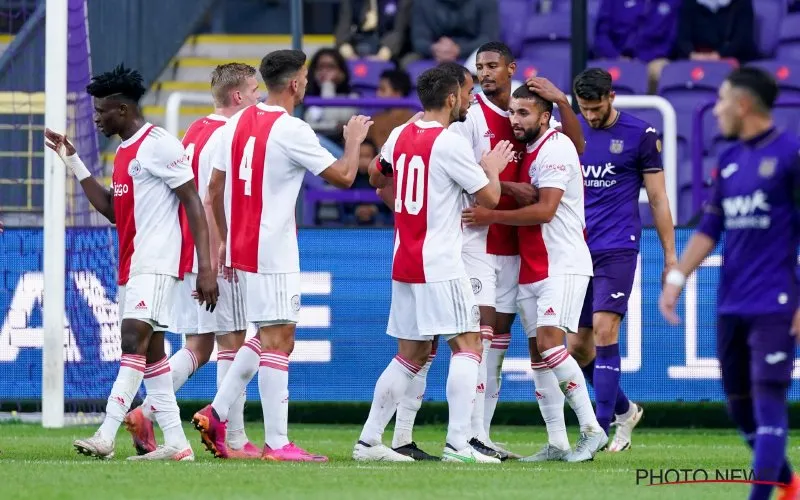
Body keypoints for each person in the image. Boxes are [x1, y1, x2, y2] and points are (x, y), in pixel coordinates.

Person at [389, 43, 587, 461]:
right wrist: (509, 189)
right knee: (464, 342)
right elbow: (453, 168)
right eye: (479, 67)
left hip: (517, 248)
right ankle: (447, 436)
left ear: (511, 69)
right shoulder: (468, 115)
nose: (485, 74)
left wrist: (562, 102)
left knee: (495, 347)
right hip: (473, 241)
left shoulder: (527, 118)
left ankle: (482, 434)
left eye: (492, 66)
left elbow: (573, 148)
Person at [192, 49, 373, 462]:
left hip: (241, 249)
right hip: (272, 249)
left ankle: (218, 413)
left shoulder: (233, 125)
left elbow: (213, 191)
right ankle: (274, 441)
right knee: (280, 339)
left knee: (268, 336)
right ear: (294, 83)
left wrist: (223, 240)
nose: (307, 83)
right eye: (305, 77)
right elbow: (345, 178)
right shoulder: (292, 130)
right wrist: (353, 142)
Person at [46, 64, 218, 461]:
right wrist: (72, 160)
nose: (96, 117)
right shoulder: (124, 152)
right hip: (133, 266)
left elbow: (193, 201)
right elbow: (111, 209)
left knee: (131, 341)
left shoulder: (160, 144)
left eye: (101, 110)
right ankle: (176, 444)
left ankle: (106, 433)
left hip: (157, 263)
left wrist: (205, 266)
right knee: (154, 354)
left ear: (122, 109)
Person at [353, 65, 514, 463]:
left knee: (411, 354)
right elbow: (489, 199)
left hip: (403, 257)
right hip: (439, 261)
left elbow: (378, 174)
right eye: (467, 93)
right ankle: (459, 443)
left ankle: (370, 441)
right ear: (451, 99)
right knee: (469, 343)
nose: (471, 100)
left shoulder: (399, 133)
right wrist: (491, 167)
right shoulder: (448, 144)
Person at [659, 67, 800, 500]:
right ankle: (790, 484)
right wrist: (678, 277)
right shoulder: (730, 160)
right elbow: (710, 227)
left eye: (721, 101)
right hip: (731, 303)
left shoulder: (791, 154)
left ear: (742, 104)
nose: (716, 110)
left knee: (768, 399)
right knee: (740, 408)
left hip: (776, 303)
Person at [123, 63, 262, 459]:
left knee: (199, 345)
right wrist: (220, 253)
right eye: (254, 91)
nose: (259, 97)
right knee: (233, 340)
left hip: (187, 249)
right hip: (214, 252)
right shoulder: (231, 134)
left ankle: (148, 412)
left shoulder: (195, 130)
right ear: (238, 96)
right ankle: (231, 438)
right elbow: (213, 198)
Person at [462, 85, 606, 463]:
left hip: (562, 262)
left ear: (545, 117)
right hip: (533, 267)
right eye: (512, 112)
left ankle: (592, 429)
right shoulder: (529, 149)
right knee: (539, 355)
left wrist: (491, 216)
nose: (515, 119)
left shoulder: (556, 148)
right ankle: (557, 442)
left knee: (549, 343)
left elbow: (545, 211)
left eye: (524, 113)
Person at [569, 68, 676, 452]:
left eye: (597, 108)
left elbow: (659, 199)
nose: (592, 116)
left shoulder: (641, 135)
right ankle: (626, 410)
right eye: (585, 109)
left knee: (604, 330)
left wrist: (670, 255)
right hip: (576, 248)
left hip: (618, 245)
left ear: (611, 97)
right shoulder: (570, 131)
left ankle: (596, 430)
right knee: (577, 348)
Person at [410, 0, 499, 64]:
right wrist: (435, 49)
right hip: (435, 52)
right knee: (407, 63)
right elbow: (419, 39)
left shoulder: (487, 2)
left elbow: (489, 38)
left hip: (474, 54)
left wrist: (459, 50)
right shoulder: (421, 2)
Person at [304, 48, 360, 142]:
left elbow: (330, 118)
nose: (324, 72)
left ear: (342, 72)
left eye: (330, 67)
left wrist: (327, 85)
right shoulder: (304, 96)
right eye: (320, 67)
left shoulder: (352, 97)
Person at [335, 0, 413, 61]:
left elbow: (398, 31)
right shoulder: (350, 1)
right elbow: (342, 32)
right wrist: (350, 57)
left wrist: (381, 57)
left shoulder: (401, 1)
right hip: (357, 48)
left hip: (389, 50)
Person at [368, 69, 416, 149]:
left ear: (398, 93)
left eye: (382, 89)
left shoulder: (415, 120)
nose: (378, 94)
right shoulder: (374, 120)